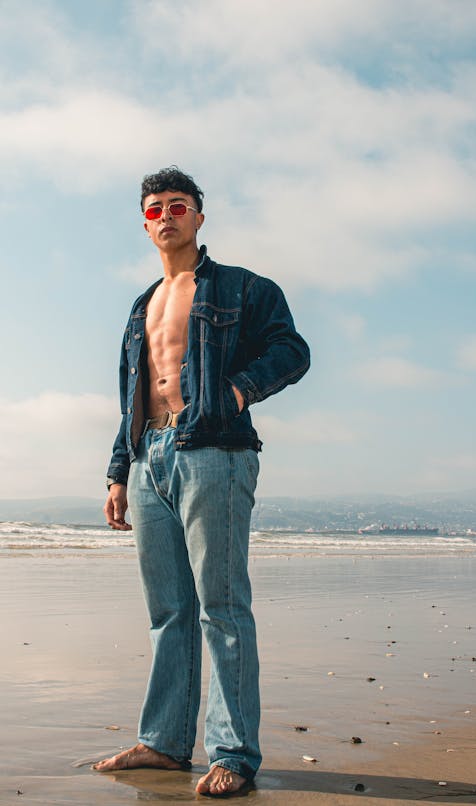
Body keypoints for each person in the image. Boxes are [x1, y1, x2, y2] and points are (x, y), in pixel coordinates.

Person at [95, 167, 310, 796]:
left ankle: (234, 753)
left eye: (178, 206)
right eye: (155, 209)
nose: (167, 217)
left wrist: (238, 392)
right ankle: (164, 742)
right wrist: (118, 472)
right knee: (169, 612)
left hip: (214, 451)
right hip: (149, 459)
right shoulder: (141, 306)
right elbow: (132, 394)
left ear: (199, 217)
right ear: (145, 222)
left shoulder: (242, 288)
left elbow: (292, 350)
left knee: (222, 608)